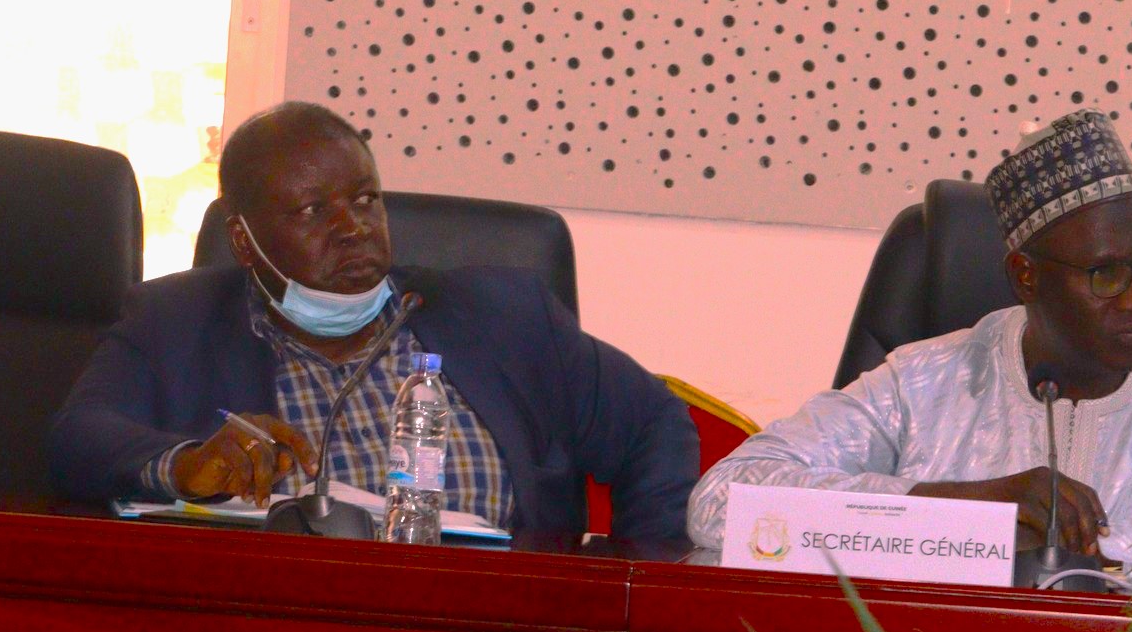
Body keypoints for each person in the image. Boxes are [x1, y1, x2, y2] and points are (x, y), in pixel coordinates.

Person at [48, 101, 698, 540]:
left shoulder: (505, 317)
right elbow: (77, 439)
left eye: (364, 199)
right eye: (313, 211)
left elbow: (654, 424)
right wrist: (186, 464)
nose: (353, 227)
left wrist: (634, 585)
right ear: (243, 241)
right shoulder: (175, 322)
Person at [688, 110, 1132, 575]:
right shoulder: (923, 383)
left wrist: (1095, 561)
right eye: (1106, 275)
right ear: (1026, 277)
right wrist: (967, 511)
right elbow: (721, 503)